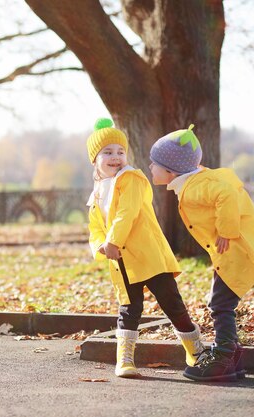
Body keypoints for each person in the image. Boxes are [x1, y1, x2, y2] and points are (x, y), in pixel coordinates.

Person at [149, 124, 254, 382]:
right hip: (235, 252)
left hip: (241, 250)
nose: (151, 167)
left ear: (170, 170)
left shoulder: (198, 185)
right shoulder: (195, 179)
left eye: (154, 163)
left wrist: (226, 230)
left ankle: (223, 358)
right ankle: (231, 357)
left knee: (220, 304)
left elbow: (226, 193)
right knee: (220, 302)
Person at [86, 118, 205, 378]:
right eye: (108, 152)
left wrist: (113, 240)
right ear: (95, 159)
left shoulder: (132, 179)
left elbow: (126, 213)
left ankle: (196, 352)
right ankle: (125, 359)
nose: (115, 157)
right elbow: (95, 227)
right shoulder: (97, 193)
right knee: (129, 308)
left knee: (172, 303)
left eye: (120, 151)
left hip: (149, 255)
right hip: (123, 260)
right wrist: (101, 246)